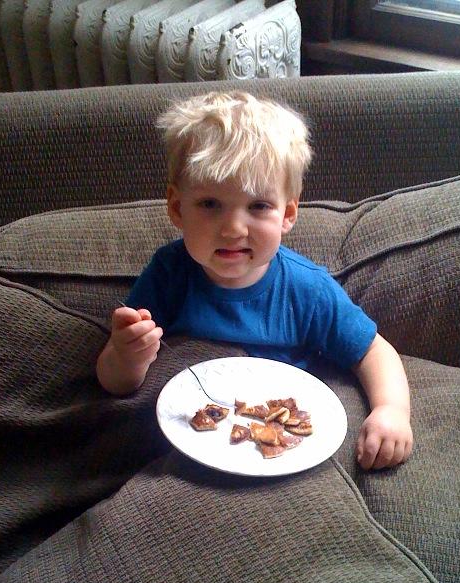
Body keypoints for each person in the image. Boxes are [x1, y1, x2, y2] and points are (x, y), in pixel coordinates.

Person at [96, 91, 413, 470]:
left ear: (287, 214)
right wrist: (128, 356)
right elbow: (115, 382)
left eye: (258, 206)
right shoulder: (168, 274)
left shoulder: (308, 290)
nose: (233, 229)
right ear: (178, 208)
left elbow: (372, 351)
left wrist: (391, 410)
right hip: (181, 437)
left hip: (269, 449)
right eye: (210, 204)